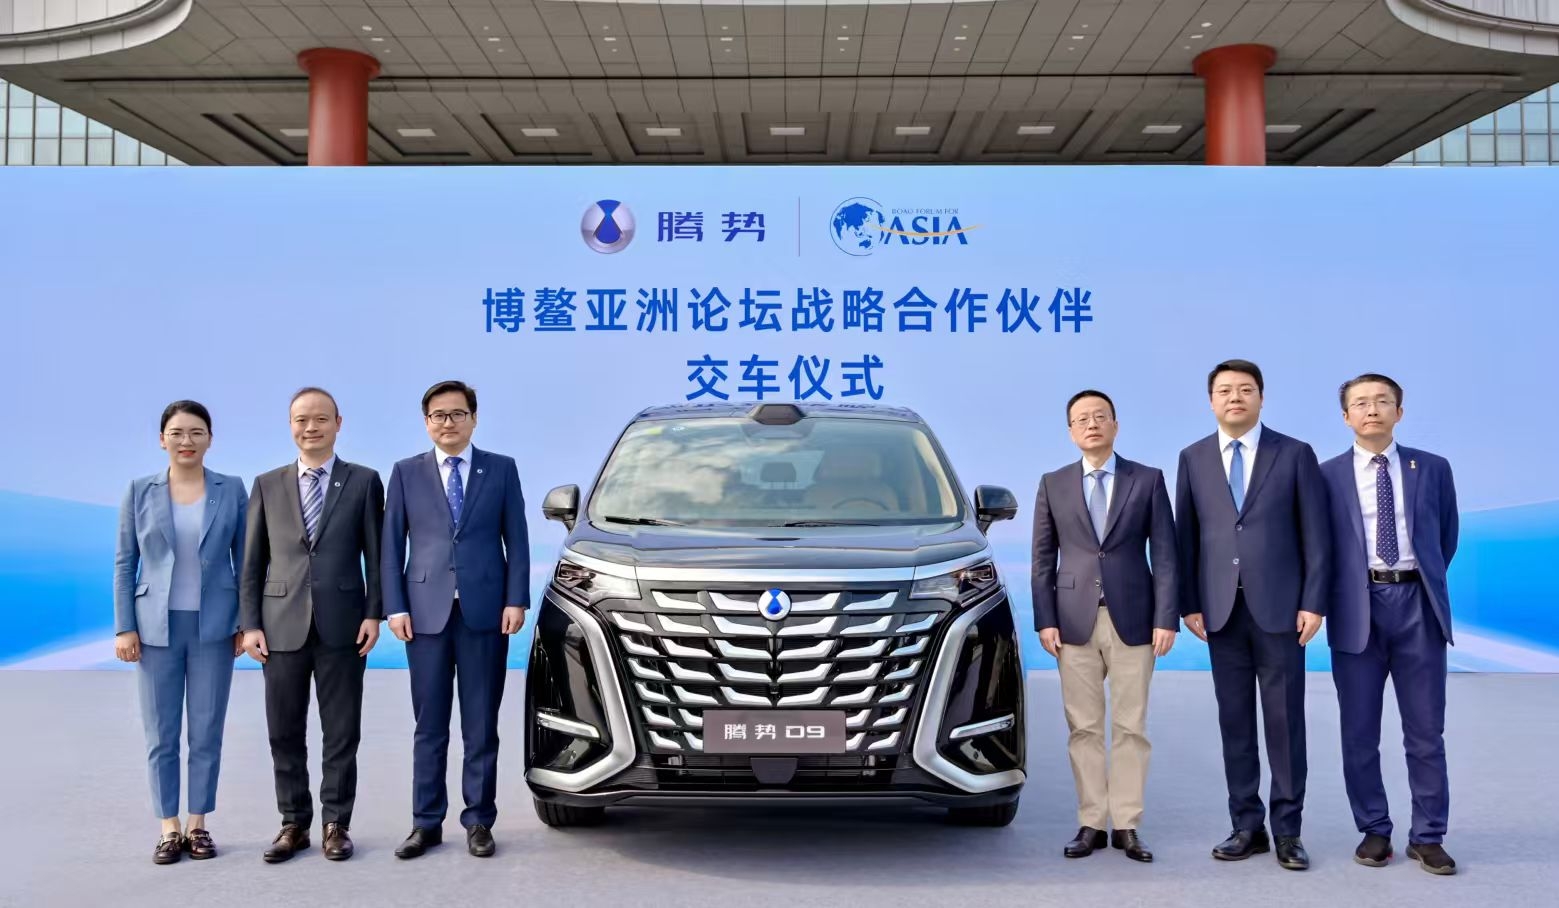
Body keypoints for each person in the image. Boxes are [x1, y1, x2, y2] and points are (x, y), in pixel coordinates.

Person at [1176, 359, 1330, 871]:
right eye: (1224, 390)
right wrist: (1189, 603)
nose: (1235, 398)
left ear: (1261, 398)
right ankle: (1247, 825)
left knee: (1285, 724)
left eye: (1245, 389)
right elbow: (1186, 537)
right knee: (1235, 724)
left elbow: (1316, 535)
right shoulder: (1193, 458)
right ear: (1211, 402)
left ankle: (1288, 831)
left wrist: (1314, 601)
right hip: (1220, 612)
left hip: (1282, 611)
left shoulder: (1295, 453)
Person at [384, 380, 530, 859]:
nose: (448, 423)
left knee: (481, 724)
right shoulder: (406, 473)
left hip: (485, 613)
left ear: (474, 418)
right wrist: (395, 606)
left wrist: (516, 600)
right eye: (439, 415)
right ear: (426, 422)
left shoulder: (501, 469)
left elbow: (517, 540)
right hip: (424, 614)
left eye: (457, 414)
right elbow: (391, 546)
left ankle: (479, 821)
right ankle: (425, 823)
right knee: (429, 726)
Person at [1032, 390, 1178, 863]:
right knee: (1084, 727)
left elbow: (1166, 556)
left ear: (1115, 425)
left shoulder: (1147, 480)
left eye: (1100, 416)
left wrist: (1166, 617)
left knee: (1132, 726)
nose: (1091, 424)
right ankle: (1092, 822)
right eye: (1082, 419)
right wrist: (1045, 619)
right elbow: (1042, 559)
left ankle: (1127, 824)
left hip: (1135, 619)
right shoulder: (1053, 483)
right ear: (1071, 431)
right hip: (1072, 621)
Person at [1321, 373, 1459, 875]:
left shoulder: (1433, 468)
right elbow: (1320, 546)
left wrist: (1417, 581)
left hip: (1417, 605)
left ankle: (1428, 835)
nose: (1372, 409)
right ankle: (1374, 829)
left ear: (1399, 412)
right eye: (1361, 403)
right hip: (1356, 608)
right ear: (1346, 417)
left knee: (1425, 731)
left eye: (1383, 401)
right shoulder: (1325, 475)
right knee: (1359, 732)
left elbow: (1446, 537)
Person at [239, 387, 384, 863]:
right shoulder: (267, 484)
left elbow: (376, 555)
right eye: (301, 420)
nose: (311, 427)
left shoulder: (364, 481)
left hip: (345, 625)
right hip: (279, 625)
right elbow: (252, 561)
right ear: (290, 426)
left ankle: (336, 824)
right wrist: (250, 624)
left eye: (321, 419)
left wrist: (374, 613)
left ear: (338, 423)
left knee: (342, 731)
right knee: (283, 730)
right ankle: (294, 823)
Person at [113, 400, 246, 864]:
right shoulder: (139, 491)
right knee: (161, 732)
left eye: (195, 432)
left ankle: (198, 823)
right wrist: (125, 627)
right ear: (162, 439)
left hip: (214, 626)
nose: (186, 441)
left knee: (206, 730)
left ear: (210, 438)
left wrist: (245, 622)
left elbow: (247, 561)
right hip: (154, 628)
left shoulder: (231, 489)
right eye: (176, 432)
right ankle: (168, 827)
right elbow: (125, 562)